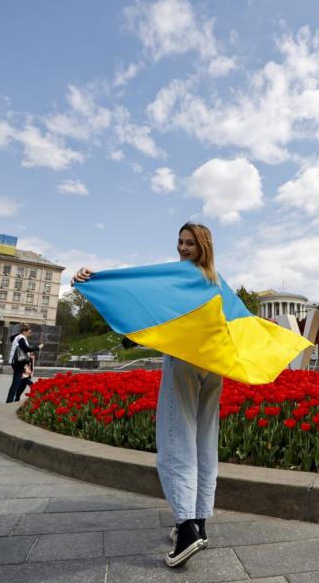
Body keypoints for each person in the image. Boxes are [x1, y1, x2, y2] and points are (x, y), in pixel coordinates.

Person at [72, 222, 222, 569]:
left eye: (189, 243)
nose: (183, 248)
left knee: (175, 440)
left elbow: (142, 297)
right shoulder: (216, 281)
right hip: (213, 364)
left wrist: (93, 281)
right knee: (204, 440)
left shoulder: (176, 275)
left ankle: (185, 527)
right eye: (180, 242)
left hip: (185, 361)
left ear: (202, 246)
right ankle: (199, 523)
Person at [6, 324, 42, 403]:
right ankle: (9, 400)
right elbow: (26, 349)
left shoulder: (19, 337)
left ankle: (13, 398)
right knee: (16, 382)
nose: (30, 334)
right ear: (24, 331)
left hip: (17, 362)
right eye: (29, 332)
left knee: (18, 381)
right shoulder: (21, 338)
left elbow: (12, 339)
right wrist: (38, 348)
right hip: (18, 362)